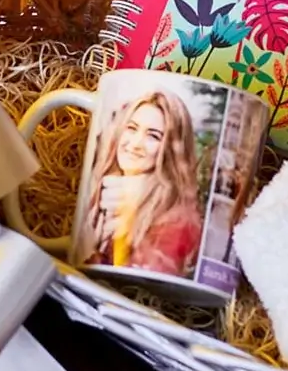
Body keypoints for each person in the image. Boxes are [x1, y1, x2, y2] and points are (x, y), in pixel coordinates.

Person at [77, 91, 203, 277]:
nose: (135, 144)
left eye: (153, 136)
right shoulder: (107, 190)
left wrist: (129, 221)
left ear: (171, 150)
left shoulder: (177, 219)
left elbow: (147, 279)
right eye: (131, 128)